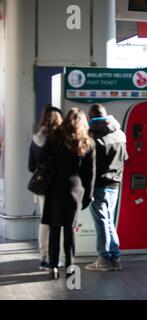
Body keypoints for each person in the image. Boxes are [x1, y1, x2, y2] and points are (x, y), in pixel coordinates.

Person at [42, 108, 96, 279]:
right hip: (75, 189)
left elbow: (43, 159)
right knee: (69, 228)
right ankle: (70, 265)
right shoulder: (88, 142)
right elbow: (90, 173)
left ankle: (53, 266)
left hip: (55, 187)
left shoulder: (55, 137)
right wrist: (89, 195)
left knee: (54, 228)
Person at [85, 104, 128, 272]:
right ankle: (115, 258)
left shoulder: (92, 138)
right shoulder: (120, 134)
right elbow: (126, 157)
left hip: (99, 185)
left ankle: (104, 259)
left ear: (90, 117)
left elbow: (88, 164)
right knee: (108, 221)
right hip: (115, 184)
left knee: (102, 223)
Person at [28, 105, 63, 270]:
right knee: (59, 223)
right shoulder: (61, 138)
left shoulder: (36, 137)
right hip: (59, 185)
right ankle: (58, 257)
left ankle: (43, 257)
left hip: (42, 186)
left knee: (45, 221)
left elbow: (30, 166)